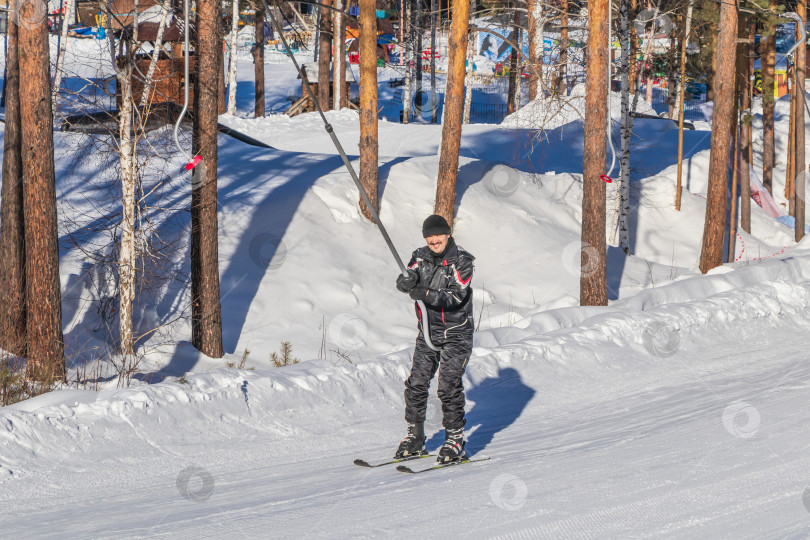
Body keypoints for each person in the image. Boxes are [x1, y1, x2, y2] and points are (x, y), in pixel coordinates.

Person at [394, 215, 475, 463]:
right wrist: (405, 283)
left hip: (456, 333)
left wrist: (426, 293)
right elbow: (407, 278)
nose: (433, 240)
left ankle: (454, 439)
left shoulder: (462, 261)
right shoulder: (420, 257)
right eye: (429, 236)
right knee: (416, 383)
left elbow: (455, 296)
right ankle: (415, 435)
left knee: (448, 387)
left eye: (437, 235)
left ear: (448, 234)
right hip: (428, 332)